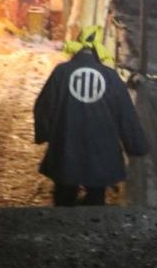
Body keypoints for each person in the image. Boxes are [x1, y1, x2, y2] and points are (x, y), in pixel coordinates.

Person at [33, 25, 149, 206]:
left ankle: (62, 229)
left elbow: (43, 106)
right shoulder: (111, 77)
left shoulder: (61, 72)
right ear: (98, 51)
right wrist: (135, 145)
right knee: (95, 202)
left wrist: (44, 134)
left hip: (66, 148)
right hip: (101, 152)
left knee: (63, 199)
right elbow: (125, 114)